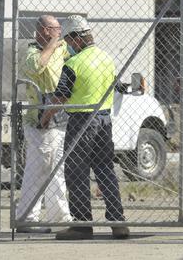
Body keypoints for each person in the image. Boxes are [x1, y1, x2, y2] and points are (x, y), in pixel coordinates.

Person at [42, 14, 129, 240]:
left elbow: (60, 97)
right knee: (104, 169)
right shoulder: (106, 58)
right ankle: (118, 221)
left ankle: (82, 225)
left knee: (76, 172)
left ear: (77, 39)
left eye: (69, 42)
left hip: (81, 121)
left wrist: (45, 116)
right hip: (104, 120)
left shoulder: (73, 64)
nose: (69, 47)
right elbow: (119, 86)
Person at [16, 14, 72, 233]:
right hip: (39, 119)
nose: (59, 31)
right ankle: (27, 217)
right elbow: (38, 66)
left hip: (59, 115)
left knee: (56, 170)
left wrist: (58, 43)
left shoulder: (63, 48)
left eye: (59, 28)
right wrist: (51, 44)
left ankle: (60, 217)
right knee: (38, 169)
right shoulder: (31, 52)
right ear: (43, 30)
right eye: (54, 28)